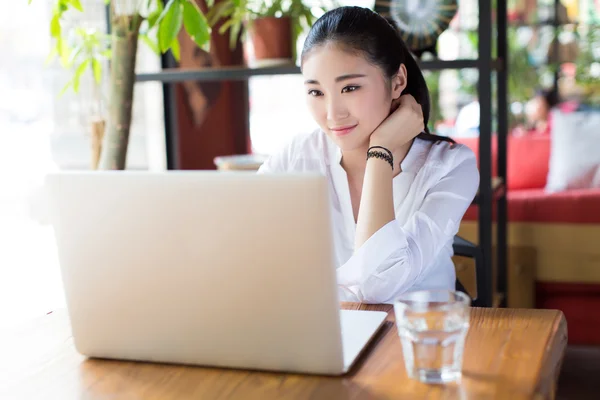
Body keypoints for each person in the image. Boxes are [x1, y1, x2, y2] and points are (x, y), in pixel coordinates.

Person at [258, 6, 479, 304]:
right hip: (330, 338)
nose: (333, 114)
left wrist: (381, 150)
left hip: (420, 338)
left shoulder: (451, 167)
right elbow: (244, 252)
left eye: (350, 87)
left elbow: (376, 285)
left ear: (398, 82)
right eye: (316, 92)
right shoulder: (297, 156)